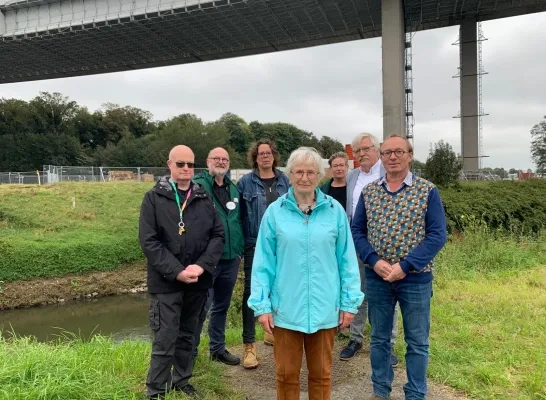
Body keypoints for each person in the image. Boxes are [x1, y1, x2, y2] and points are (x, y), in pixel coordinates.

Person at [248, 146, 363, 400]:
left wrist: (349, 302)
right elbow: (263, 263)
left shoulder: (335, 212)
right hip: (285, 309)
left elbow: (347, 260)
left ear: (319, 175)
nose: (304, 177)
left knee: (321, 375)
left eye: (311, 172)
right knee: (286, 375)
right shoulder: (275, 213)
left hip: (324, 308)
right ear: (289, 174)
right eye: (298, 171)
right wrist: (261, 305)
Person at [351, 134, 447, 400]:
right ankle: (380, 391)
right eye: (387, 153)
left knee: (417, 342)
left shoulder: (427, 190)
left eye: (398, 152)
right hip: (377, 277)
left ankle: (415, 394)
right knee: (380, 339)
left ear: (409, 155)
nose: (392, 157)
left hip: (415, 279)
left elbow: (437, 234)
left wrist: (406, 265)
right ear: (381, 157)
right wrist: (374, 260)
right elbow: (357, 231)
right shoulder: (370, 192)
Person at [139, 145, 225, 399]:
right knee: (165, 339)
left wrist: (200, 266)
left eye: (190, 164)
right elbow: (149, 241)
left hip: (198, 281)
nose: (186, 169)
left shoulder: (203, 197)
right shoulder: (153, 198)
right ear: (169, 165)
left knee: (189, 336)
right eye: (181, 164)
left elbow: (218, 236)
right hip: (166, 283)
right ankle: (156, 390)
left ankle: (182, 380)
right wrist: (176, 271)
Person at [340, 133, 400, 365]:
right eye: (357, 151)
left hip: (383, 245)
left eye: (365, 149)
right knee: (358, 291)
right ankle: (355, 338)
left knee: (385, 295)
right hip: (356, 243)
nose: (361, 154)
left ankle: (387, 344)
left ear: (377, 149)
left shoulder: (388, 172)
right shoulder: (352, 176)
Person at [236, 138, 290, 369]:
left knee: (281, 288)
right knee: (252, 292)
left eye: (268, 153)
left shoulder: (285, 181)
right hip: (253, 244)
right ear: (255, 157)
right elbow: (238, 217)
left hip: (282, 245)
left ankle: (272, 332)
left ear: (274, 156)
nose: (265, 157)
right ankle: (249, 346)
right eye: (261, 153)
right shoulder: (245, 184)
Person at [193, 147, 244, 366]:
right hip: (207, 260)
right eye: (217, 158)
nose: (221, 162)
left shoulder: (233, 188)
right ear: (208, 161)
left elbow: (238, 219)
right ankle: (189, 354)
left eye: (225, 159)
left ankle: (217, 348)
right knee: (199, 308)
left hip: (231, 258)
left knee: (221, 306)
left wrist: (239, 248)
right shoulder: (198, 186)